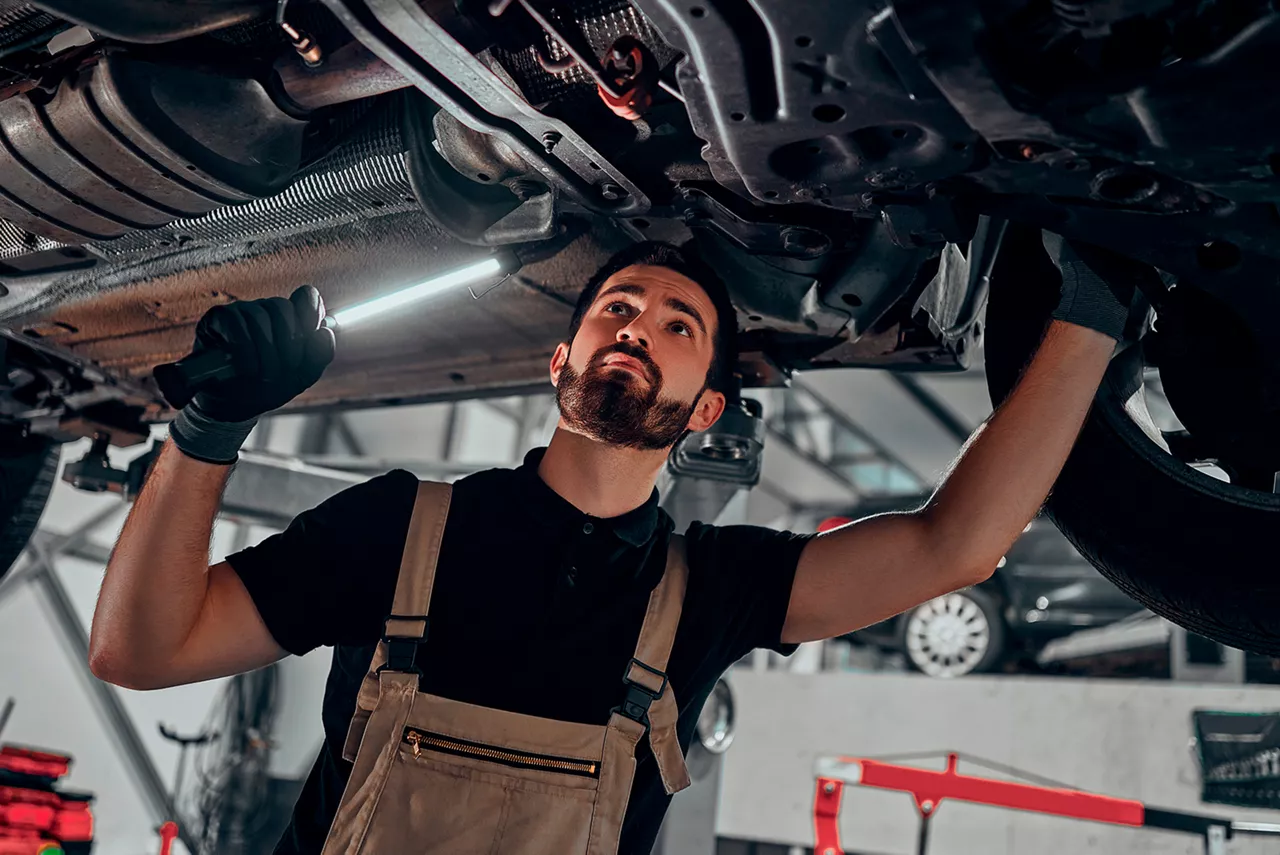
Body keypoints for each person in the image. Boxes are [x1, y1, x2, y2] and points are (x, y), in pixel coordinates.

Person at [88, 236, 1136, 855]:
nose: (638, 325)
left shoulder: (710, 592)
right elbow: (140, 651)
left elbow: (951, 547)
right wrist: (209, 429)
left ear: (702, 409)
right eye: (618, 308)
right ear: (561, 361)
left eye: (678, 325)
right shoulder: (398, 524)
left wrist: (1084, 320)